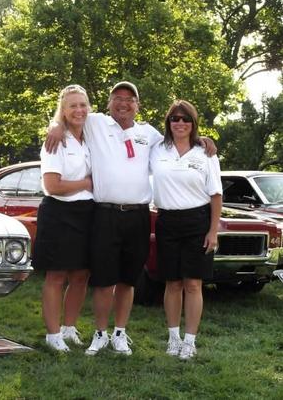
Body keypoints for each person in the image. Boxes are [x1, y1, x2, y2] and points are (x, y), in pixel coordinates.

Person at [46, 82, 216, 356]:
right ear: (109, 102)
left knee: (127, 281)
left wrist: (203, 141)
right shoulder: (95, 123)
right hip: (104, 214)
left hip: (137, 216)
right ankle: (99, 334)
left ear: (138, 105)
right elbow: (70, 116)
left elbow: (180, 139)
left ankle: (120, 334)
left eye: (130, 99)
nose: (123, 103)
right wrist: (55, 127)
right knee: (103, 281)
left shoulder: (149, 134)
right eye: (118, 98)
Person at [150, 99, 222, 360]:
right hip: (167, 221)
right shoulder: (157, 149)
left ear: (193, 123)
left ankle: (190, 341)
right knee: (173, 282)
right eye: (174, 118)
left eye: (185, 118)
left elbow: (216, 195)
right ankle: (173, 338)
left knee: (193, 283)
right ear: (168, 122)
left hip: (198, 221)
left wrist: (212, 232)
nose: (180, 123)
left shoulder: (206, 153)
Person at [32, 84, 94, 352]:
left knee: (81, 275)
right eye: (72, 106)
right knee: (56, 277)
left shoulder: (93, 135)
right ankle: (53, 334)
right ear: (63, 110)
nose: (79, 110)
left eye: (83, 105)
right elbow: (53, 186)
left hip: (87, 214)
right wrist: (86, 183)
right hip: (59, 213)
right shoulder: (55, 141)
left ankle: (69, 329)